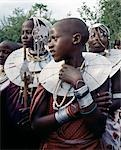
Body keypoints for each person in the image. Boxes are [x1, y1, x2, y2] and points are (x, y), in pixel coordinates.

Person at [30, 18, 111, 149]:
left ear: (76, 39)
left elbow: (98, 128)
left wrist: (79, 84)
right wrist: (75, 109)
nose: (49, 45)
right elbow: (36, 124)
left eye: (54, 39)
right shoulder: (48, 76)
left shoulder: (99, 73)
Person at [1, 17, 52, 149]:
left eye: (29, 32)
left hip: (41, 117)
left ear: (41, 34)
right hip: (13, 116)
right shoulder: (14, 60)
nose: (24, 36)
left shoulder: (53, 60)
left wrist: (34, 110)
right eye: (23, 32)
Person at [88, 23, 121, 150]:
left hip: (109, 116)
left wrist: (99, 108)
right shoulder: (82, 62)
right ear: (86, 40)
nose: (97, 38)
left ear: (108, 40)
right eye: (92, 35)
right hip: (85, 115)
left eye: (102, 35)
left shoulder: (116, 65)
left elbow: (118, 98)